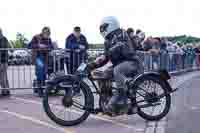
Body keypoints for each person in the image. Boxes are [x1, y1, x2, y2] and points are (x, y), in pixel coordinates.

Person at [87, 16, 143, 114]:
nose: (102, 30)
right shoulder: (107, 41)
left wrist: (107, 53)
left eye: (103, 27)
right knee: (101, 74)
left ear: (111, 25)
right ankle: (107, 99)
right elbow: (106, 57)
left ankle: (121, 98)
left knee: (118, 70)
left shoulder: (121, 33)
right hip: (120, 63)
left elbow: (119, 46)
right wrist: (94, 64)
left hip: (132, 62)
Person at [28, 27, 54, 97]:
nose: (46, 34)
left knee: (44, 74)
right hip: (38, 57)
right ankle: (40, 91)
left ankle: (43, 90)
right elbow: (29, 45)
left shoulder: (49, 39)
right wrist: (38, 45)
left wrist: (46, 47)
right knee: (40, 73)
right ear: (42, 32)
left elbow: (51, 47)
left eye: (48, 33)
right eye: (45, 33)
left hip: (45, 58)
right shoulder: (36, 37)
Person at [0, 28, 10, 95]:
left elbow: (5, 50)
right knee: (3, 77)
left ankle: (5, 90)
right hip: (3, 60)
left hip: (3, 61)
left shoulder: (4, 39)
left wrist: (6, 61)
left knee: (3, 76)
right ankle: (5, 90)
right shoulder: (4, 39)